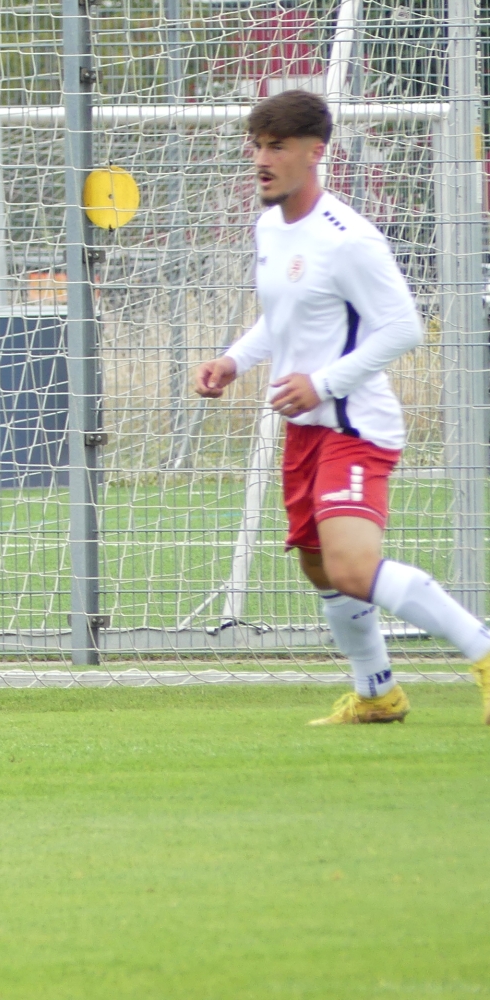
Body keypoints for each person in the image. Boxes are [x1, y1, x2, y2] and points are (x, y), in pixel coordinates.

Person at [196, 88, 490, 725]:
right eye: (257, 145)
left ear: (315, 152)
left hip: (354, 424)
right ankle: (377, 692)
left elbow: (403, 328)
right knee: (318, 565)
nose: (262, 159)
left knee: (352, 568)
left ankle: (483, 649)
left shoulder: (349, 238)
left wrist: (323, 383)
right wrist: (233, 361)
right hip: (304, 428)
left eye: (277, 146)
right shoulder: (270, 227)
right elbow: (284, 317)